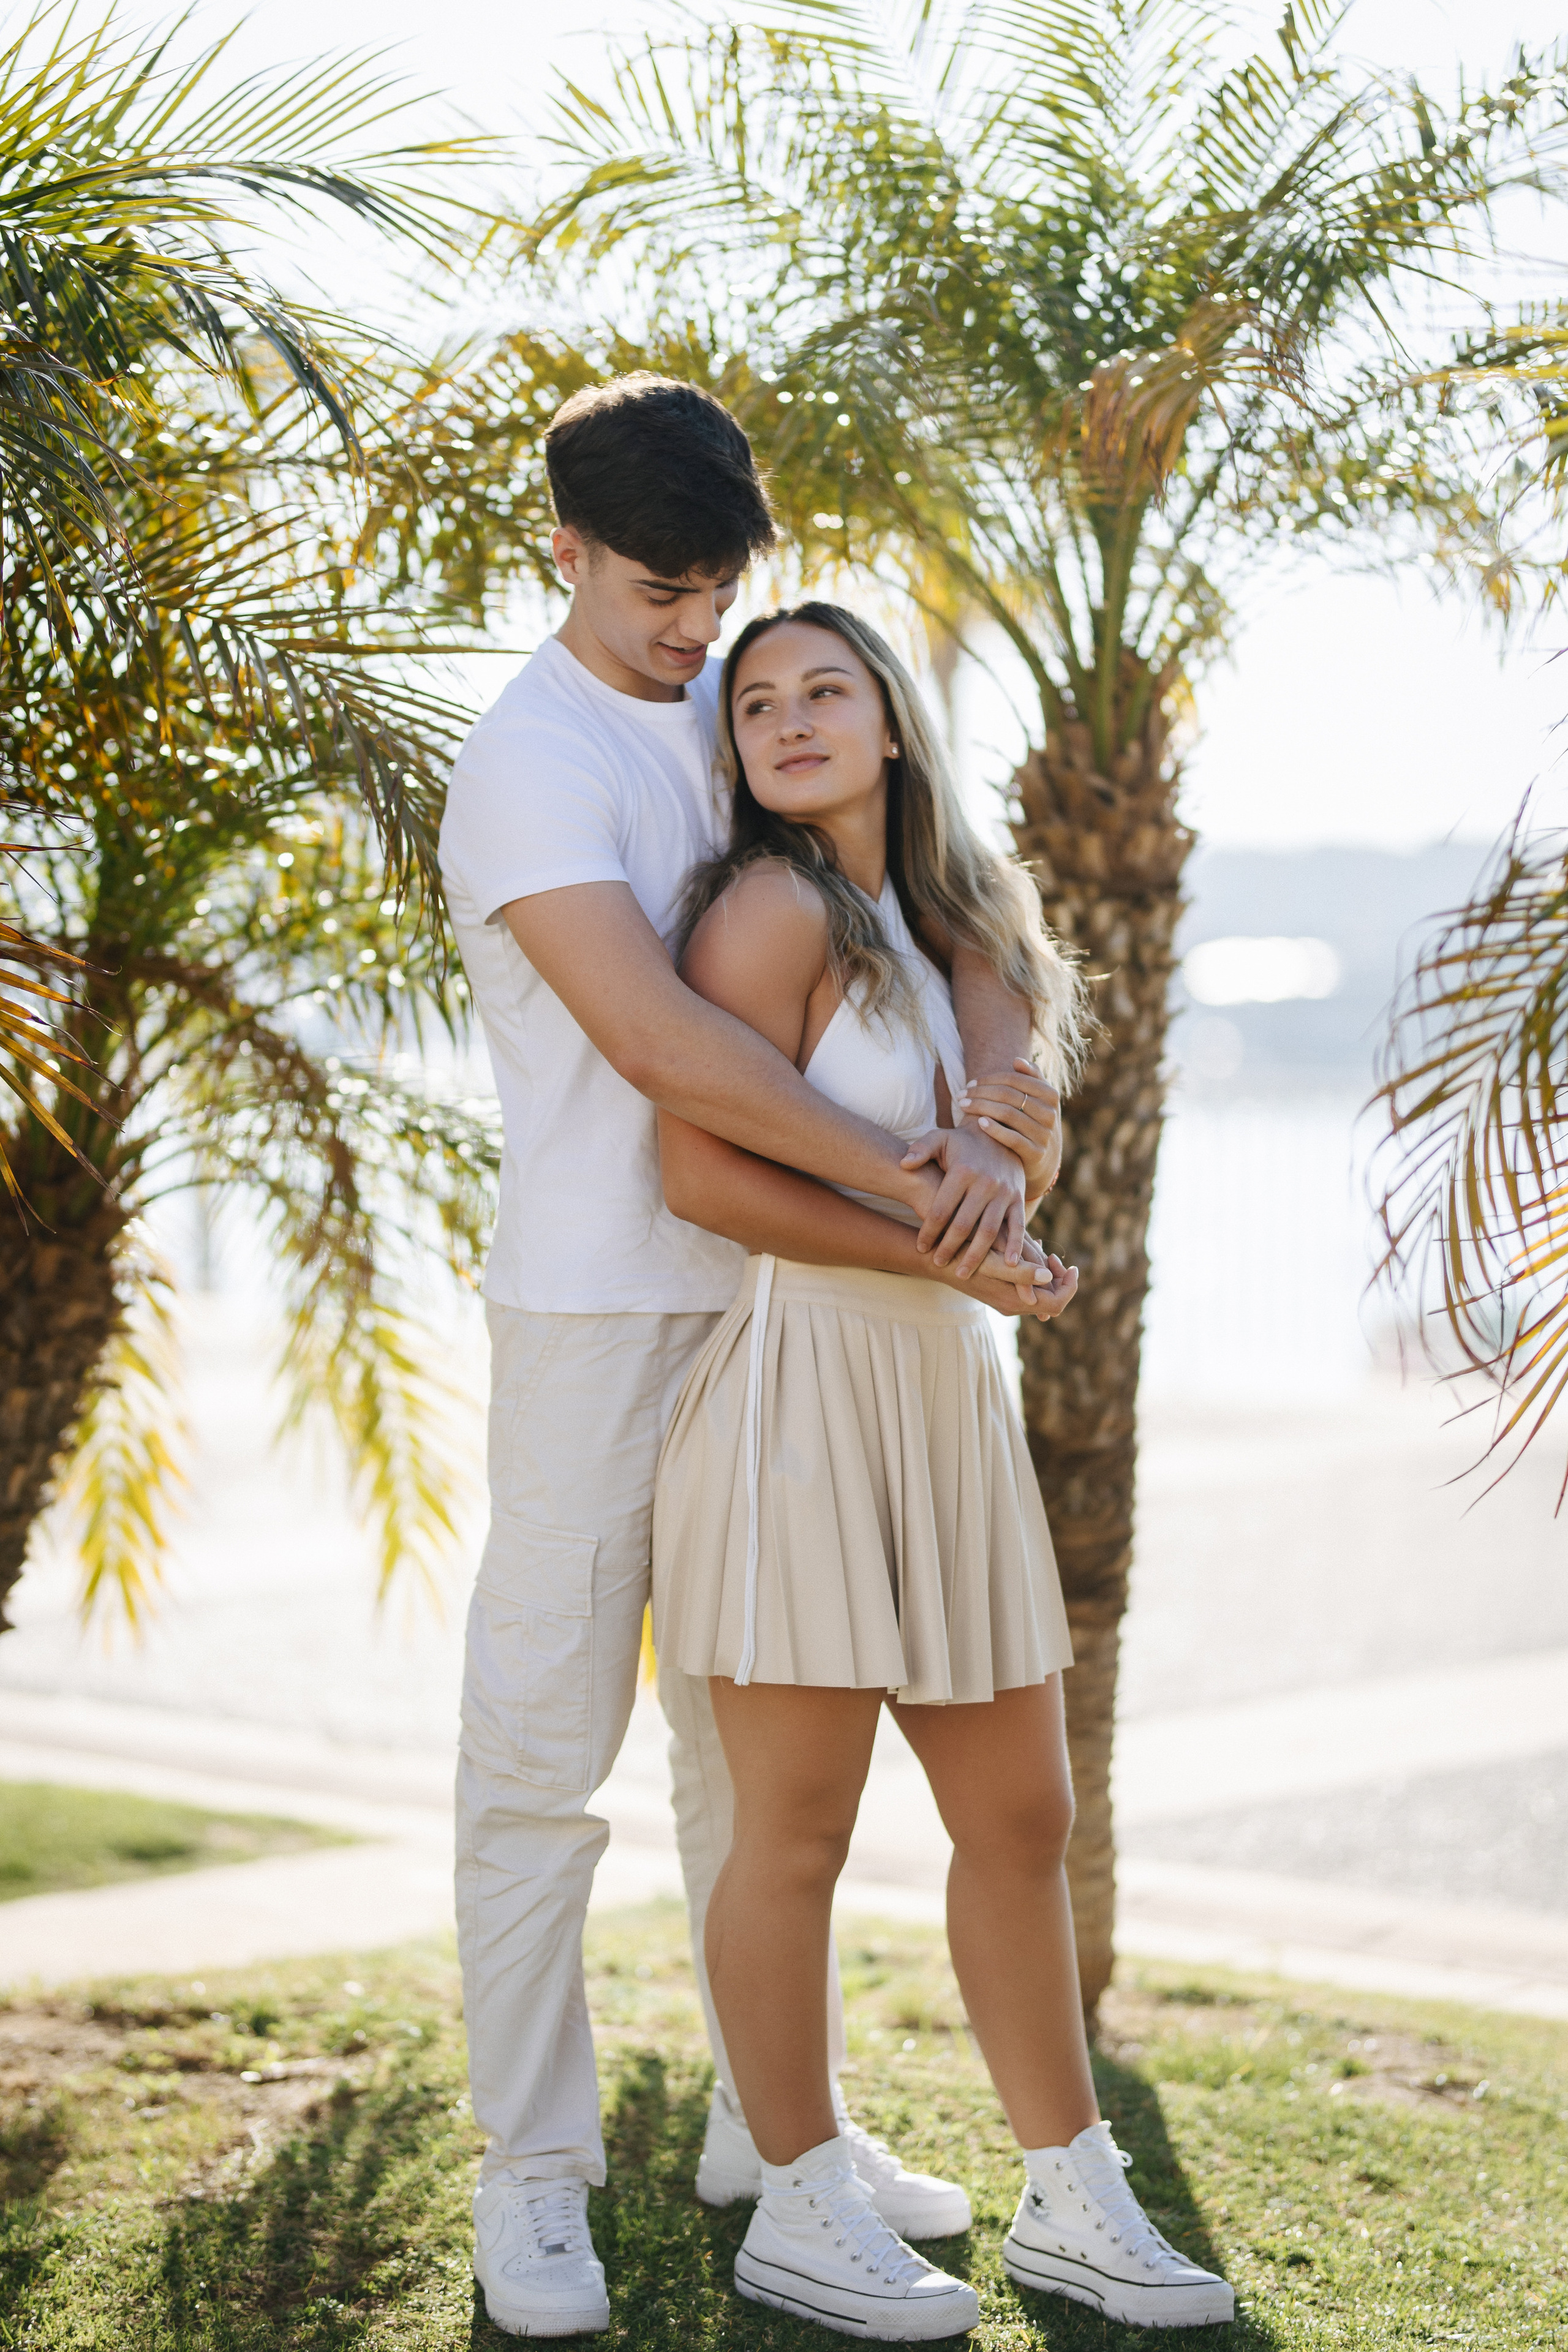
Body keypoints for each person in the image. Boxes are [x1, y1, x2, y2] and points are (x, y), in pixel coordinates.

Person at [438, 375, 1072, 2339]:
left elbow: (920, 891)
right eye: (655, 594)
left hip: (785, 1323)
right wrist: (932, 1195)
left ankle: (766, 2137)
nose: (696, 632)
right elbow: (667, 1053)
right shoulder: (530, 763)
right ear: (562, 549)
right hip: (597, 1311)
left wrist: (1004, 1104)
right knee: (548, 1758)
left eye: (718, 595)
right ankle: (533, 2172)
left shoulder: (737, 716)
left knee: (752, 1774)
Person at [651, 602, 1237, 2339]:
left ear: (894, 722)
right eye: (756, 702)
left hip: (943, 1397)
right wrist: (953, 1243)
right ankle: (798, 2201)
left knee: (1023, 1816)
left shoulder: (962, 923)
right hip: (801, 1390)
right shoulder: (766, 913)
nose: (788, 718)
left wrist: (1001, 1190)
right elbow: (700, 1174)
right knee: (801, 1830)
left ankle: (1075, 2197)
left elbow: (1009, 1139)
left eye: (826, 688)